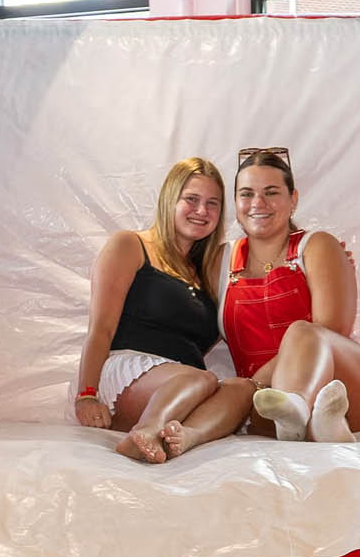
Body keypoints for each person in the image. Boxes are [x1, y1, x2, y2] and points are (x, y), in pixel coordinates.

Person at [74, 157, 257, 462]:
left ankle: (183, 438)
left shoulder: (207, 270)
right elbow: (100, 329)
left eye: (212, 204)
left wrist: (312, 257)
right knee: (202, 378)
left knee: (242, 389)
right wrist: (87, 395)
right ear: (170, 199)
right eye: (192, 199)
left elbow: (263, 267)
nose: (202, 211)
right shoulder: (130, 245)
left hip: (184, 383)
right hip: (126, 372)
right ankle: (146, 431)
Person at [225, 147, 360, 442]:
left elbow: (334, 329)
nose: (258, 203)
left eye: (271, 192)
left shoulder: (316, 246)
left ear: (293, 199)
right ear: (235, 202)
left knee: (304, 333)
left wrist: (252, 385)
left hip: (348, 387)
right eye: (246, 194)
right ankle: (322, 426)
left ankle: (297, 406)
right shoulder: (221, 262)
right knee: (270, 403)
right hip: (267, 405)